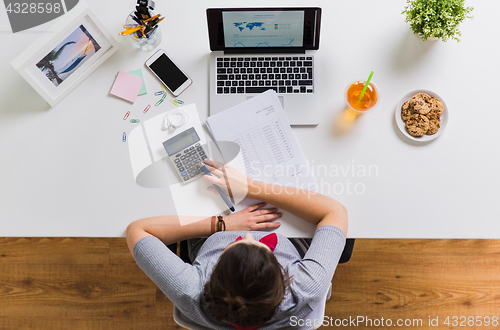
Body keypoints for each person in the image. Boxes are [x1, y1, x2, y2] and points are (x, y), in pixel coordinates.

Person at [126, 159, 348, 329]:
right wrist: (250, 187)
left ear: (212, 276)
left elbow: (138, 229)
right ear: (284, 279)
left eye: (238, 244)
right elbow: (335, 211)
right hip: (286, 235)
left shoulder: (191, 289)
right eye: (259, 247)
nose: (249, 235)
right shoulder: (305, 287)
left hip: (214, 231)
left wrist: (222, 224)